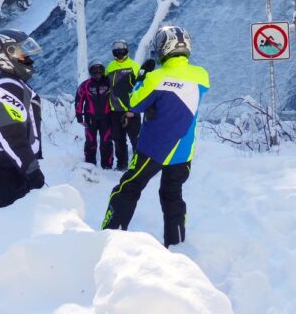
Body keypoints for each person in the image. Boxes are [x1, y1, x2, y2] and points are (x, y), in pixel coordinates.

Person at [101, 26, 209, 248]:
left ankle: (110, 238)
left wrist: (140, 77)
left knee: (128, 188)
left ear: (162, 48)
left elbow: (133, 102)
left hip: (154, 149)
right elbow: (178, 96)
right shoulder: (202, 76)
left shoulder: (156, 77)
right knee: (172, 195)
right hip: (183, 150)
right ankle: (177, 244)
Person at [0, 29, 46, 209]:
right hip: (5, 166)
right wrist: (32, 170)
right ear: (5, 53)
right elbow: (11, 135)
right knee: (14, 226)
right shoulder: (6, 86)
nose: (27, 58)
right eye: (22, 53)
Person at [105, 40, 140, 171]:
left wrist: (134, 109)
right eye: (117, 52)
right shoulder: (110, 67)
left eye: (122, 51)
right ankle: (122, 164)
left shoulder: (134, 66)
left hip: (131, 110)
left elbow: (141, 88)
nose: (120, 54)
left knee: (135, 139)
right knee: (118, 140)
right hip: (115, 111)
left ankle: (139, 164)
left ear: (127, 52)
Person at [75, 61, 113, 168]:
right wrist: (79, 117)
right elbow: (78, 100)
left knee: (106, 141)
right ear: (90, 71)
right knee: (91, 141)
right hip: (90, 118)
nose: (97, 73)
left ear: (103, 70)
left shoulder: (109, 82)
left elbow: (117, 97)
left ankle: (107, 166)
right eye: (94, 70)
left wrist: (117, 114)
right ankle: (90, 165)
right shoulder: (85, 85)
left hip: (106, 117)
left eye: (99, 70)